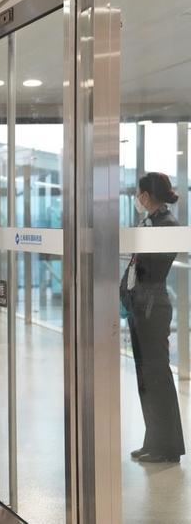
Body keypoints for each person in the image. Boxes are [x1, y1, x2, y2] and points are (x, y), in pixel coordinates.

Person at [120, 172, 185, 464]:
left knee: (157, 377)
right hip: (140, 305)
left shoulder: (166, 225)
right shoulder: (150, 222)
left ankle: (167, 446)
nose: (137, 198)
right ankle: (153, 440)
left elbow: (149, 269)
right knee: (146, 377)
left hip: (152, 307)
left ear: (146, 195)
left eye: (139, 193)